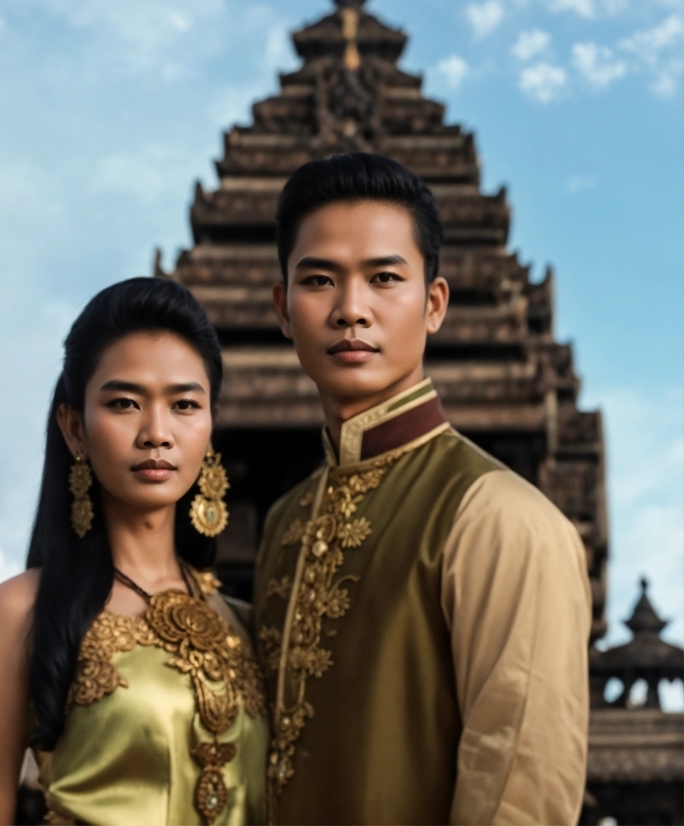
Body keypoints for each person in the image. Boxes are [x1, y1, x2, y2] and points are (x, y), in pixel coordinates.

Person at [253, 153, 591, 825]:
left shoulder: (500, 519)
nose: (352, 310)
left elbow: (518, 789)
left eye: (384, 278)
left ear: (434, 304)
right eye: (319, 280)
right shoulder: (285, 521)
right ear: (284, 310)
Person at [0, 278, 268, 826]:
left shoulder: (246, 626)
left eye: (184, 404)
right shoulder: (20, 614)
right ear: (75, 429)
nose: (157, 433)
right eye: (125, 403)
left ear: (210, 426)